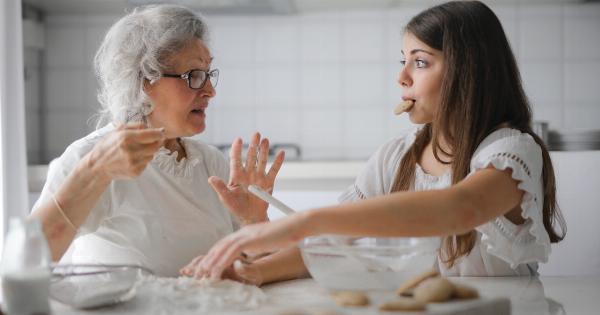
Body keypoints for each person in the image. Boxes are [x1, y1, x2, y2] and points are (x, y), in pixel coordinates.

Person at [181, 0, 566, 282]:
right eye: (403, 60)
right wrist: (255, 271)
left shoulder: (511, 152)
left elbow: (462, 208)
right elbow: (335, 243)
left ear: (469, 71)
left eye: (420, 61)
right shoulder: (396, 157)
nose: (402, 78)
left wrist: (306, 220)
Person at [29, 5, 284, 277]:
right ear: (142, 80)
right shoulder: (91, 157)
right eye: (194, 76)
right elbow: (28, 260)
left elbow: (255, 267)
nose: (211, 90)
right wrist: (94, 172)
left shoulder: (210, 163)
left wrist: (254, 221)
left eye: (208, 74)